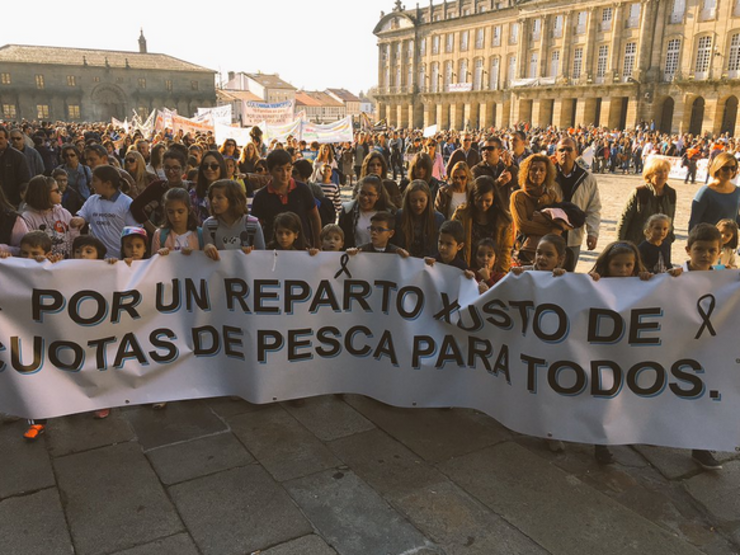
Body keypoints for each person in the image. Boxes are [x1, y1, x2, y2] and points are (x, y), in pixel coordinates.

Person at [673, 223, 724, 470]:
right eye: (700, 249)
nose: (705, 255)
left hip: (707, 352)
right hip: (675, 349)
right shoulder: (673, 278)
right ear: (688, 249)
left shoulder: (727, 282)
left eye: (711, 250)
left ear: (720, 250)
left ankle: (700, 447)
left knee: (704, 398)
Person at [252, 149, 322, 248]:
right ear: (270, 171)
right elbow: (257, 227)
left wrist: (317, 244)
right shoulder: (261, 196)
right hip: (273, 250)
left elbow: (314, 217)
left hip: (302, 248)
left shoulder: (302, 190)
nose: (285, 174)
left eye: (288, 169)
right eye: (279, 170)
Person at [554, 137, 601, 271]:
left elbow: (593, 208)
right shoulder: (547, 175)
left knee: (568, 276)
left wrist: (593, 232)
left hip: (574, 237)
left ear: (576, 153)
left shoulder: (587, 178)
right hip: (551, 235)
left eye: (569, 149)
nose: (565, 153)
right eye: (561, 150)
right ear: (556, 153)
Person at [71, 165, 138, 258]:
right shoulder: (92, 200)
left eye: (94, 180)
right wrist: (79, 219)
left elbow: (135, 231)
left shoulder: (126, 203)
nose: (91, 184)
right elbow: (82, 215)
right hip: (96, 258)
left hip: (118, 258)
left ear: (108, 183)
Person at [509, 154, 564, 265]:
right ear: (527, 172)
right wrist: (551, 230)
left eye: (542, 170)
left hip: (550, 254)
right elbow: (523, 225)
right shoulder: (518, 196)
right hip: (525, 253)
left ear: (547, 173)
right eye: (534, 169)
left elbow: (562, 221)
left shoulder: (552, 195)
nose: (538, 173)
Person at [451, 175, 513, 272]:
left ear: (494, 198)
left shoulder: (504, 220)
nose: (483, 205)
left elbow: (505, 252)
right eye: (479, 200)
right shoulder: (461, 215)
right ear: (472, 198)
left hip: (493, 273)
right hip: (465, 270)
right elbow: (452, 242)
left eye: (487, 201)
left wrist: (498, 278)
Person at [616, 157, 676, 247]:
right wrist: (619, 243)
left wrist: (670, 237)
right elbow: (625, 218)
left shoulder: (671, 193)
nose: (663, 175)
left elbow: (671, 218)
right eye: (658, 172)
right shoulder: (640, 192)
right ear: (650, 175)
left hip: (662, 244)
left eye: (665, 171)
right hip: (638, 243)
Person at [203, 179, 265, 260]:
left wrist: (250, 252)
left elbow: (262, 255)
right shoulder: (209, 225)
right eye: (212, 197)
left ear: (233, 200)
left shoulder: (252, 224)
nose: (214, 201)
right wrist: (208, 248)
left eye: (219, 198)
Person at [21, 175, 78, 259]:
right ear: (44, 193)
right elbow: (27, 247)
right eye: (57, 191)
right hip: (41, 267)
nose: (61, 193)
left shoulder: (65, 213)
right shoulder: (27, 217)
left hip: (65, 265)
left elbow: (75, 240)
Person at [339, 175, 395, 249]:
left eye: (370, 194)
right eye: (362, 193)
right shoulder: (348, 211)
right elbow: (340, 238)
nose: (365, 198)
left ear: (378, 196)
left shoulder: (389, 214)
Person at [391, 180, 444, 258]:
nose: (418, 205)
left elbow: (440, 247)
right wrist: (397, 249)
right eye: (413, 201)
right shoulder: (400, 216)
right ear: (408, 200)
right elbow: (391, 242)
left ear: (428, 199)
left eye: (422, 200)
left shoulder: (438, 219)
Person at [688, 152, 740, 231]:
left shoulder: (737, 191)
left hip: (729, 240)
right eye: (725, 168)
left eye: (733, 168)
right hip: (709, 240)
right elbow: (694, 223)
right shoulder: (706, 192)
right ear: (717, 168)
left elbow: (734, 216)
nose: (729, 171)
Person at [152, 188, 204, 254]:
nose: (176, 216)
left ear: (189, 210)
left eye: (180, 211)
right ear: (166, 211)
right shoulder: (160, 235)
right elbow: (154, 262)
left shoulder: (200, 235)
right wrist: (160, 256)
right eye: (171, 212)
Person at [471, 136, 518, 207]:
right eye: (483, 149)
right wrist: (498, 183)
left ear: (499, 151)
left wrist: (510, 167)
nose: (486, 151)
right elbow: (477, 191)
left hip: (503, 212)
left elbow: (518, 181)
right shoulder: (476, 170)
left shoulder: (505, 167)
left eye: (490, 148)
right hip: (485, 211)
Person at [191, 150, 226, 225]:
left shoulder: (231, 192)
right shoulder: (193, 194)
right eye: (205, 166)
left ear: (221, 167)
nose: (209, 169)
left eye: (214, 166)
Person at [0, 125, 31, 208]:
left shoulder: (18, 157)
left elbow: (25, 181)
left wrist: (15, 202)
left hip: (12, 204)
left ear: (6, 139)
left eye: (0, 138)